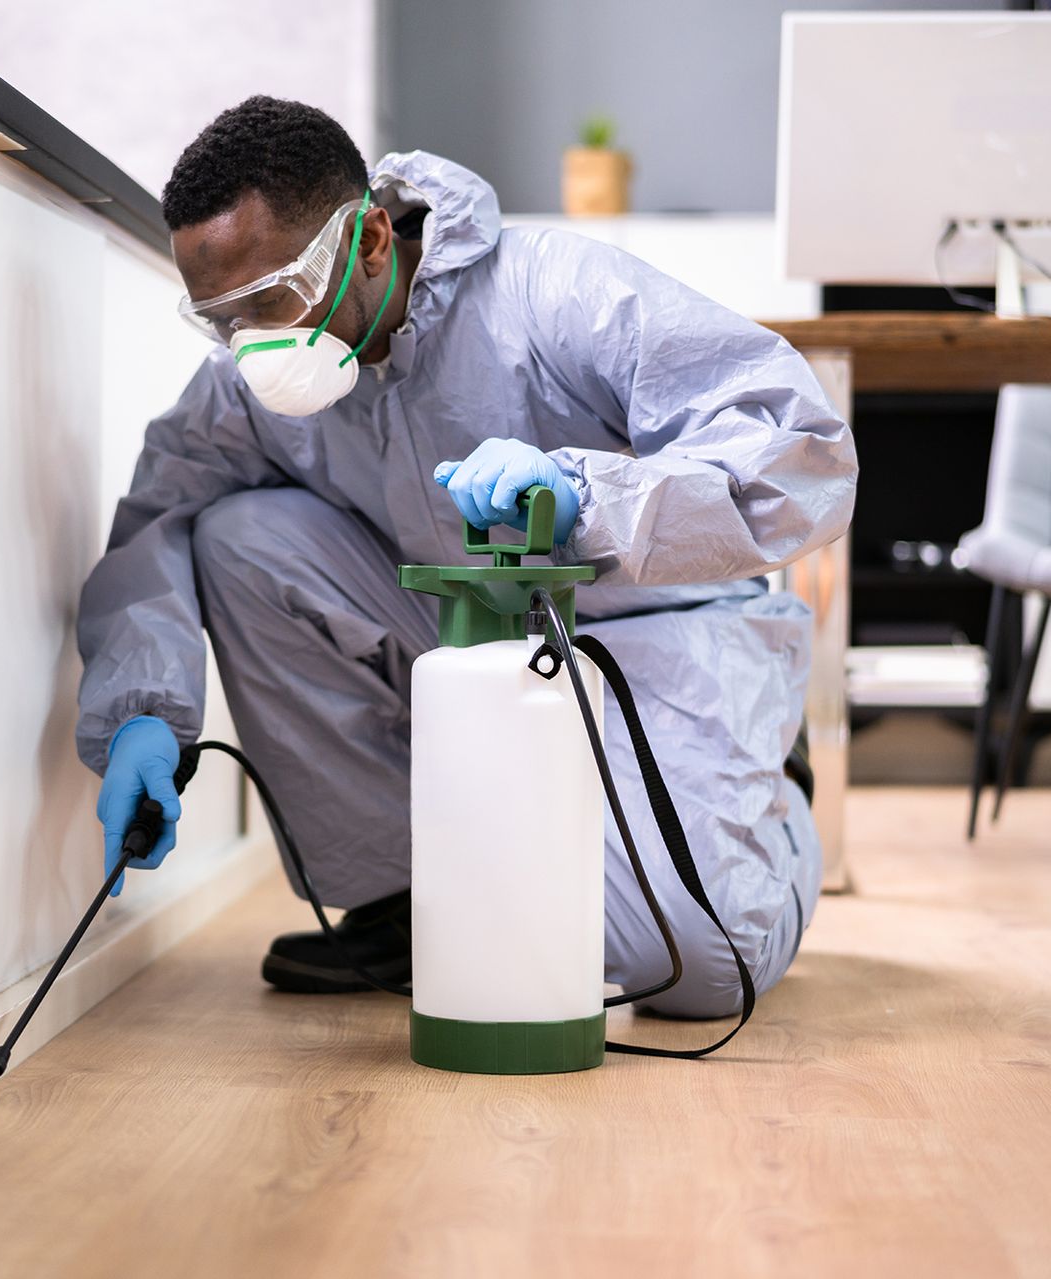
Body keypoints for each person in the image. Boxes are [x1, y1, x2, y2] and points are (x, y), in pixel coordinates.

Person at [78, 96, 856, 1018]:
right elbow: (158, 516)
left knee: (693, 970)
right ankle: (406, 902)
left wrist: (586, 495)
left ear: (368, 240)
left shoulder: (554, 292)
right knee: (239, 539)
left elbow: (800, 453)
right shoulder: (244, 389)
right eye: (221, 318)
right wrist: (142, 713)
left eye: (271, 299)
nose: (251, 344)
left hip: (650, 640)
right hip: (462, 639)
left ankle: (777, 799)